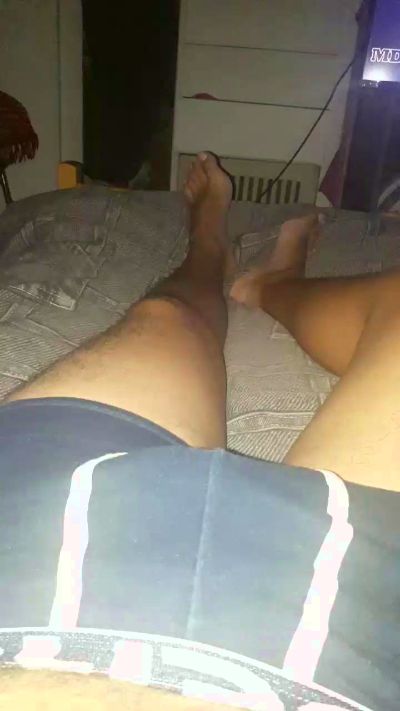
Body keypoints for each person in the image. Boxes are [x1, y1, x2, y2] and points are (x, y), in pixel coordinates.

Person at [0, 154, 398, 711]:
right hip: (355, 649)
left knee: (168, 314)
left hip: (31, 573)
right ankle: (265, 280)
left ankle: (214, 250)